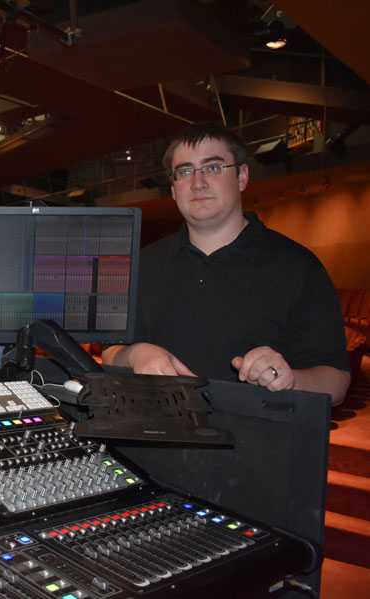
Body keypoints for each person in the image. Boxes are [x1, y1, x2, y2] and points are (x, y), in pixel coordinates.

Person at [103, 123, 350, 405]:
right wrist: (136, 354)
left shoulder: (299, 266)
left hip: (258, 445)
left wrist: (290, 379)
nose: (198, 183)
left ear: (242, 176)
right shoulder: (142, 264)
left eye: (213, 167)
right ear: (173, 189)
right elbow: (112, 352)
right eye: (184, 171)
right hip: (155, 442)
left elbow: (337, 381)